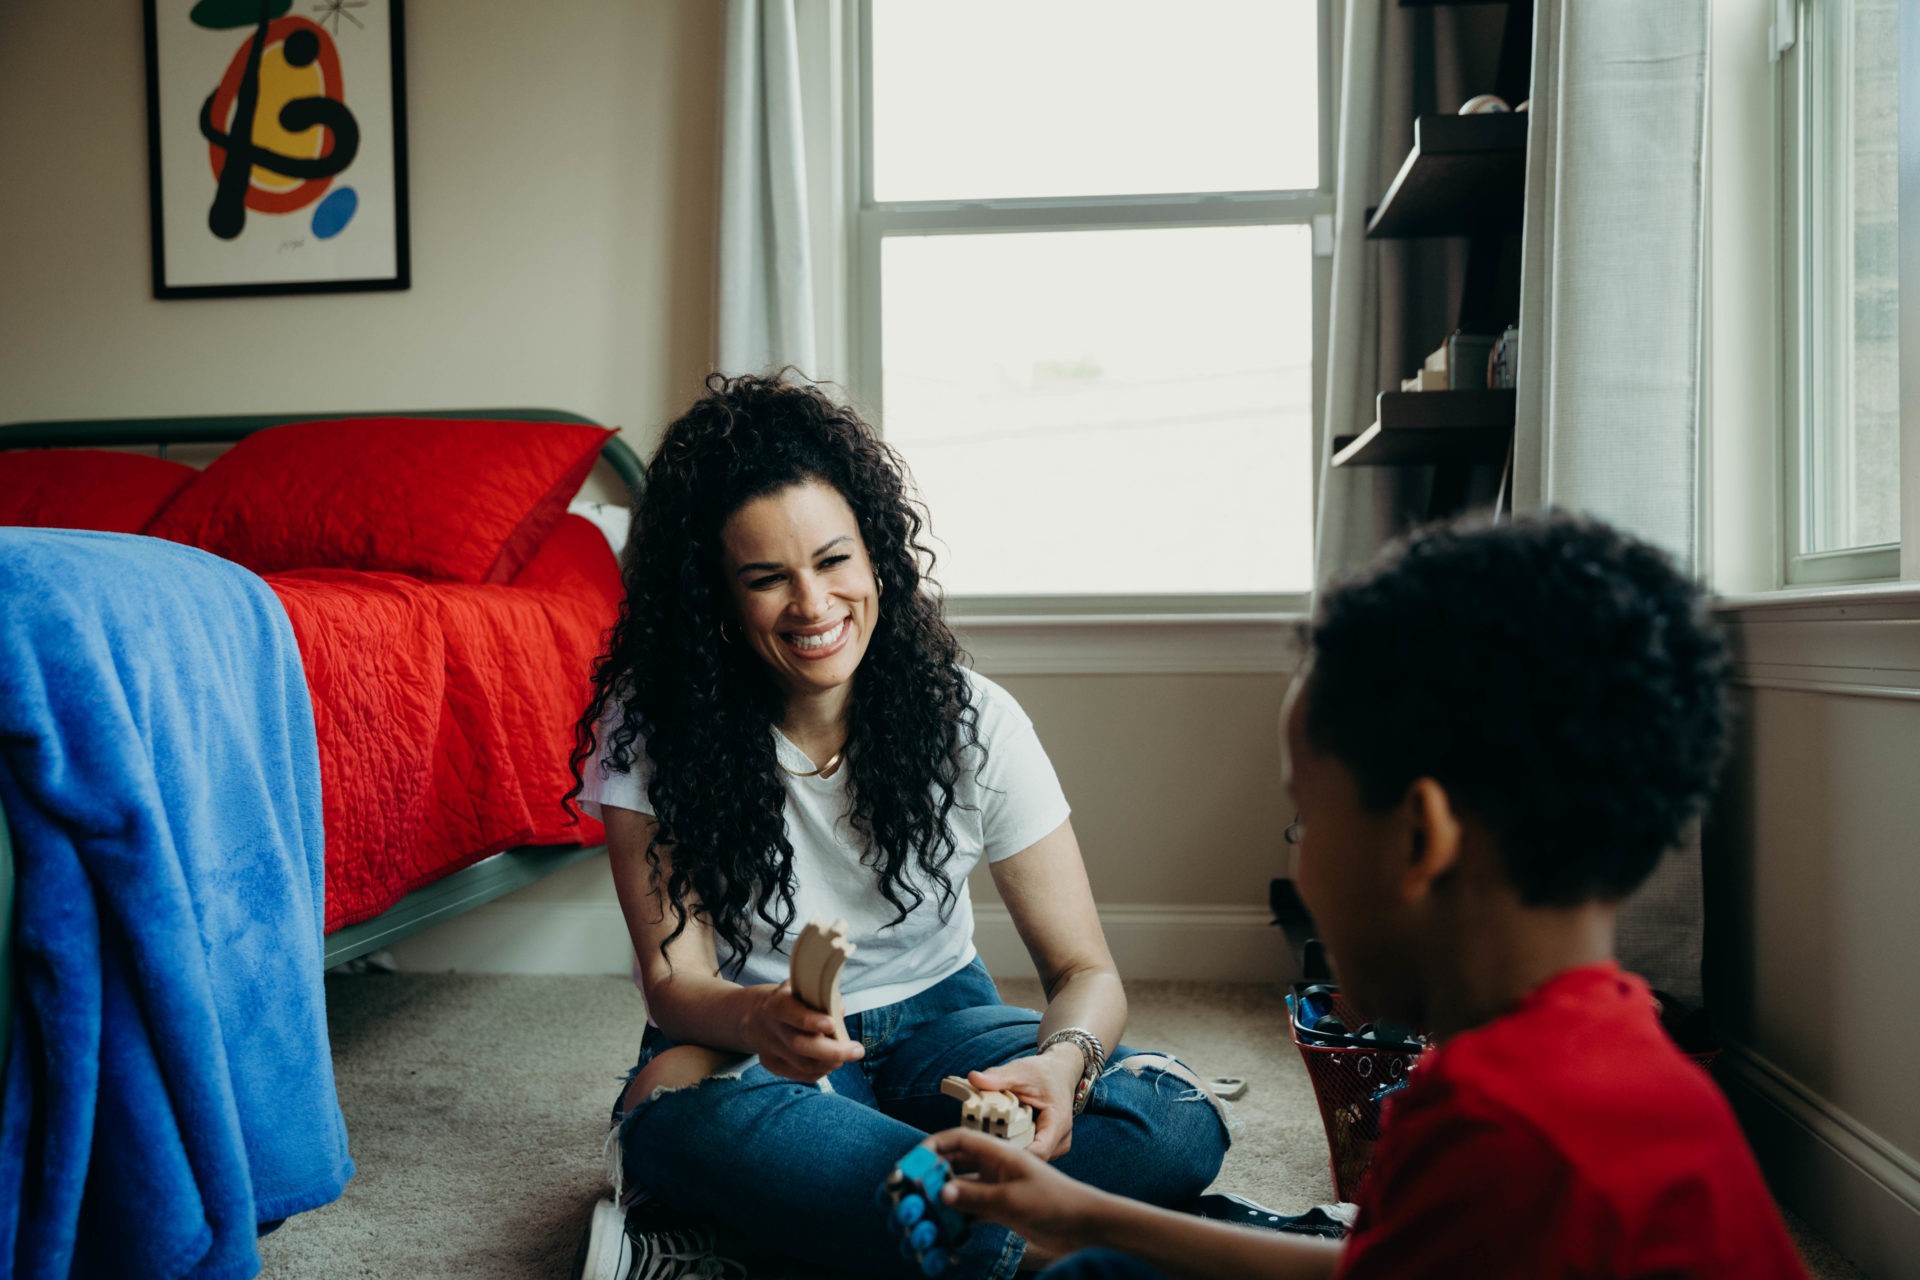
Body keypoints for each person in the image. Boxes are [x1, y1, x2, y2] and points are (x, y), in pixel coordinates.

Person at [927, 512, 1811, 1280]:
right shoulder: (1606, 1050)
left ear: (1421, 839)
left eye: (1304, 822)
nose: (1300, 870)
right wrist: (1080, 1215)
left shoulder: (1497, 1133)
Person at [568, 372, 1231, 1280]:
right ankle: (1043, 1237)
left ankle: (816, 1232)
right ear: (716, 603)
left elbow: (1085, 973)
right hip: (749, 1042)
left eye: (834, 561)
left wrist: (1062, 1067)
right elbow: (672, 983)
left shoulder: (973, 719)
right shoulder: (653, 729)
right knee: (681, 1117)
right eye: (767, 579)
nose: (814, 605)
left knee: (1174, 1120)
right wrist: (764, 1016)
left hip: (943, 1029)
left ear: (876, 554)